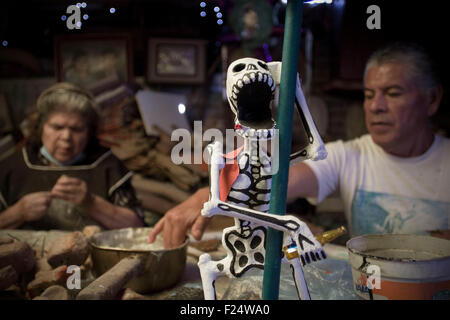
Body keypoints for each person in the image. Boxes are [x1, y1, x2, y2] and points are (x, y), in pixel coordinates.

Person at [149, 42, 449, 248]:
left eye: (393, 93)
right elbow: (274, 183)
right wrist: (207, 193)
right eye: (369, 95)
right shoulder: (349, 155)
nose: (375, 106)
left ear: (432, 99)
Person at [0, 82, 145, 230]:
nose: (66, 137)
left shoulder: (107, 164)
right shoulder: (14, 165)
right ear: (40, 127)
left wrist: (91, 203)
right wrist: (18, 213)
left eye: (77, 129)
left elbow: (137, 227)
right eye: (57, 127)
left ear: (89, 132)